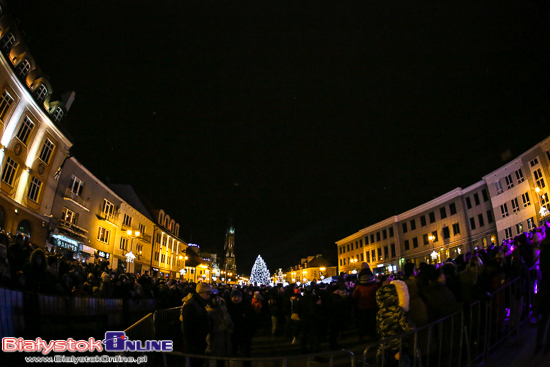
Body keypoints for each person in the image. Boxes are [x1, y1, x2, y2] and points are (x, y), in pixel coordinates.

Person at [376, 279, 414, 367]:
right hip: (397, 346)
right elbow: (408, 327)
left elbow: (379, 328)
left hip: (385, 345)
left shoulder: (380, 312)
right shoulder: (397, 311)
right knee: (405, 362)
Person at [181, 282, 212, 367]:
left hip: (199, 340)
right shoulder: (191, 305)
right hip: (194, 343)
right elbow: (187, 326)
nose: (209, 296)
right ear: (200, 293)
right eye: (207, 293)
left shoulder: (199, 303)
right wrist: (191, 344)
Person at [226, 289, 257, 367]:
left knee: (246, 354)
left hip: (245, 335)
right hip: (233, 335)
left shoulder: (247, 307)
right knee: (232, 353)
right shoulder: (228, 308)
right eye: (234, 297)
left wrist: (251, 332)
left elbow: (253, 320)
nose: (236, 298)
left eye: (238, 297)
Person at [206, 295, 234, 367]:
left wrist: (230, 327)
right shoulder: (209, 312)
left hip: (225, 338)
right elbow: (208, 328)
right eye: (215, 299)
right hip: (216, 339)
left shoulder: (223, 310)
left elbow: (229, 321)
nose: (218, 300)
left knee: (223, 360)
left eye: (218, 299)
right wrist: (221, 327)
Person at [352, 273, 379, 341]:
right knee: (372, 322)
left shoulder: (359, 287)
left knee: (363, 322)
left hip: (362, 307)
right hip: (372, 306)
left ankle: (362, 336)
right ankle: (372, 335)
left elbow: (354, 296)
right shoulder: (374, 286)